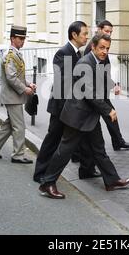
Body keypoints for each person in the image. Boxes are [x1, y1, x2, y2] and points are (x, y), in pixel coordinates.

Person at [38, 34, 129, 199]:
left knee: (99, 149)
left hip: (89, 116)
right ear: (93, 47)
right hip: (77, 116)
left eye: (107, 48)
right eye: (102, 48)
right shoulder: (85, 63)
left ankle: (111, 180)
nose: (105, 51)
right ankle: (47, 183)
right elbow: (89, 92)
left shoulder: (97, 61)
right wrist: (108, 110)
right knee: (64, 151)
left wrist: (113, 87)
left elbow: (102, 82)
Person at [33, 21, 93, 183]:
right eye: (84, 34)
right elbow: (64, 84)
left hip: (70, 108)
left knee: (77, 142)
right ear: (74, 35)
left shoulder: (77, 54)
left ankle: (86, 169)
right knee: (52, 141)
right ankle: (40, 174)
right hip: (61, 108)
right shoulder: (64, 53)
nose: (87, 37)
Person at [0, 25, 37, 164]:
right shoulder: (10, 55)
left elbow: (18, 75)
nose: (22, 41)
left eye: (24, 38)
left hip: (13, 96)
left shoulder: (15, 53)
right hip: (12, 97)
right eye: (20, 38)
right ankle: (18, 155)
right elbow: (11, 77)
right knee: (19, 126)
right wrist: (25, 89)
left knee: (10, 124)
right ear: (12, 38)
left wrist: (28, 84)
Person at [84, 20, 129, 151]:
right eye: (106, 31)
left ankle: (118, 141)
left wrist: (113, 85)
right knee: (104, 118)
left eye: (111, 32)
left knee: (110, 116)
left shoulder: (104, 45)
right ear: (99, 30)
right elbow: (96, 73)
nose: (109, 34)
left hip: (101, 91)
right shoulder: (93, 47)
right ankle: (78, 153)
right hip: (95, 93)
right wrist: (112, 85)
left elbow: (104, 71)